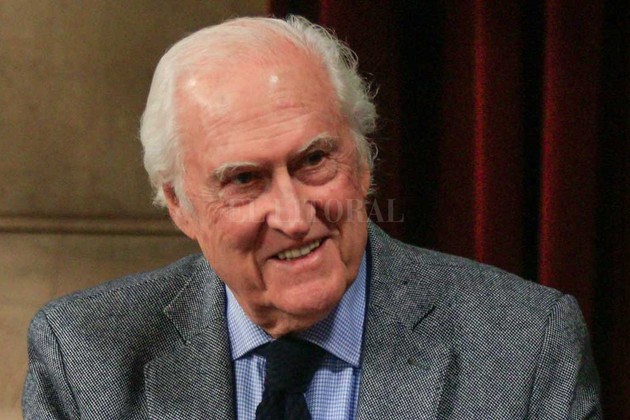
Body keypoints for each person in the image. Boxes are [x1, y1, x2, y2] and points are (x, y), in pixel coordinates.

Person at [23, 16, 600, 419]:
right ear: (180, 205)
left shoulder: (523, 346)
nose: (295, 218)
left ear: (363, 162)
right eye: (244, 180)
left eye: (315, 160)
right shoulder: (85, 356)